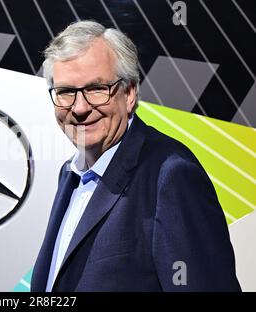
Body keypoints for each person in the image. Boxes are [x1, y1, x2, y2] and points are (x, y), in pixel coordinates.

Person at [31, 20, 241, 292]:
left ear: (129, 93)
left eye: (96, 89)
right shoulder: (69, 174)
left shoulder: (171, 175)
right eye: (66, 92)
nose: (80, 108)